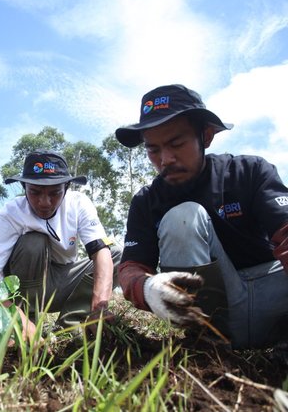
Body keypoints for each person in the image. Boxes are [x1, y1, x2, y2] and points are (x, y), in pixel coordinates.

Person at [114, 84, 288, 349]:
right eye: (153, 149)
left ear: (206, 136)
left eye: (176, 143)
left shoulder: (248, 172)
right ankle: (207, 342)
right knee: (182, 217)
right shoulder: (146, 202)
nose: (166, 159)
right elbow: (131, 268)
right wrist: (147, 288)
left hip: (276, 295)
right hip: (223, 315)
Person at [0, 150, 121, 340]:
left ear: (67, 187)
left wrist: (99, 307)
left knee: (116, 254)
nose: (44, 202)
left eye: (55, 193)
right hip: (25, 289)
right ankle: (27, 322)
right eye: (35, 192)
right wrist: (15, 319)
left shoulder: (79, 204)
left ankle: (70, 328)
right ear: (23, 186)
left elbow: (100, 252)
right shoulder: (11, 214)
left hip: (63, 280)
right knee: (33, 242)